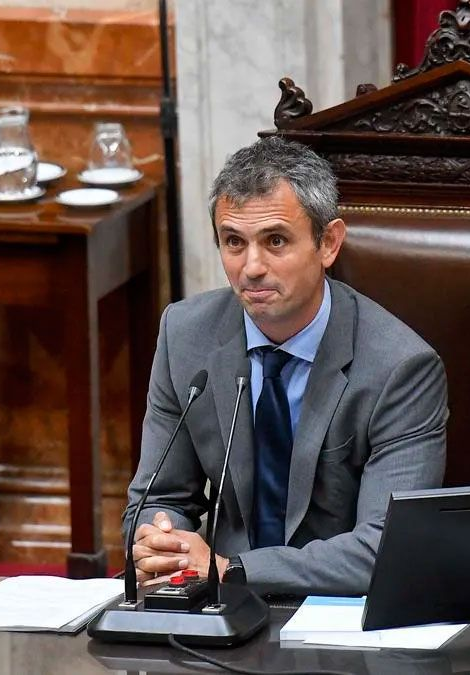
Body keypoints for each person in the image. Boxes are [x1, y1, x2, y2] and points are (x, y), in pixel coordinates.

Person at [123, 136, 448, 596]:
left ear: (328, 243)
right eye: (234, 242)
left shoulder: (401, 367)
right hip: (214, 607)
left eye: (275, 241)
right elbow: (158, 497)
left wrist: (228, 567)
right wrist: (163, 540)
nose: (251, 267)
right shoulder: (184, 336)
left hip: (339, 613)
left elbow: (386, 548)